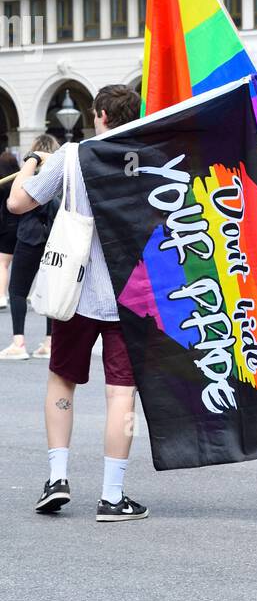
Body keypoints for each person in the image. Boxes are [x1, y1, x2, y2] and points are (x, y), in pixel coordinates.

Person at [7, 85, 148, 520]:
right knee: (121, 392)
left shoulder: (71, 156)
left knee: (62, 382)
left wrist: (32, 160)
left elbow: (16, 202)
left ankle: (57, 478)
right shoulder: (148, 158)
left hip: (75, 291)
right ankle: (112, 495)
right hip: (128, 294)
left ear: (100, 114)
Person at [0, 134, 60, 361]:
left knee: (17, 290)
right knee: (50, 289)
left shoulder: (32, 173)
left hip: (30, 235)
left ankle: (19, 342)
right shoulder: (60, 172)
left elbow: (15, 203)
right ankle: (49, 342)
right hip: (55, 236)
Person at [0, 149, 21, 309]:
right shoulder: (20, 181)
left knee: (3, 264)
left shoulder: (2, 186)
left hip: (7, 227)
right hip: (26, 228)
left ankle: (1, 296)